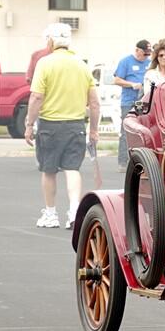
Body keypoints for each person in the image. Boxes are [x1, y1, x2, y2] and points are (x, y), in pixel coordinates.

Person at [25, 23, 100, 230]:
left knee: (49, 170)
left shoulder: (45, 63)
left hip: (50, 124)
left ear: (50, 41)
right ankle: (74, 211)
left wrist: (29, 124)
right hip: (76, 125)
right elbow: (94, 102)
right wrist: (94, 130)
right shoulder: (82, 65)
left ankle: (50, 214)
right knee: (72, 168)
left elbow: (36, 96)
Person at [114, 40, 151, 171]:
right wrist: (131, 84)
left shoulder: (149, 62)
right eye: (144, 54)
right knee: (126, 131)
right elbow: (117, 80)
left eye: (148, 54)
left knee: (144, 130)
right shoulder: (126, 62)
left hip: (143, 101)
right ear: (137, 50)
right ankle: (123, 162)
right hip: (128, 101)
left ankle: (141, 161)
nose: (146, 56)